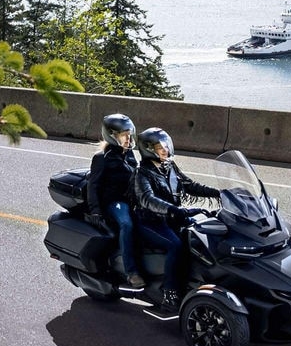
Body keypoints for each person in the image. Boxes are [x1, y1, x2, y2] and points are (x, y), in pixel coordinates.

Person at [133, 127, 218, 308]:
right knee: (175, 245)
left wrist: (219, 193)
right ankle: (169, 292)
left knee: (199, 234)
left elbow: (189, 185)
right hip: (150, 221)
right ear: (148, 149)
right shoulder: (142, 173)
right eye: (159, 147)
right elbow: (148, 199)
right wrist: (173, 209)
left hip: (171, 217)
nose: (165, 150)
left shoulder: (169, 166)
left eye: (165, 146)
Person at [86, 113, 144, 288]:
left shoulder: (129, 154)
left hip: (130, 200)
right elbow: (92, 185)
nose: (128, 138)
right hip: (113, 202)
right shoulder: (101, 158)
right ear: (112, 135)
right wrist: (95, 210)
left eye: (129, 134)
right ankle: (131, 272)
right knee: (126, 224)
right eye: (123, 134)